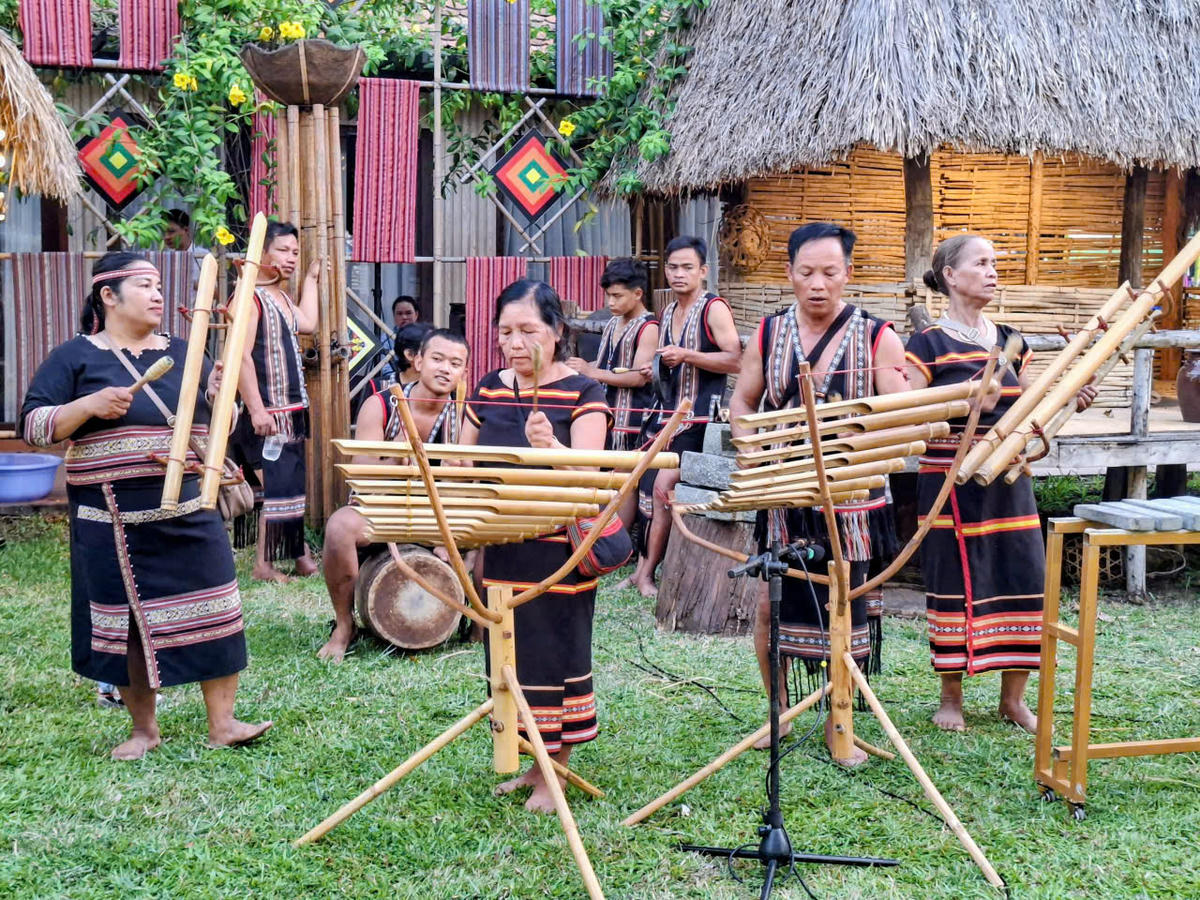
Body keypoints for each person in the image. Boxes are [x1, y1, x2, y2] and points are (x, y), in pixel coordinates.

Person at [20, 252, 271, 759]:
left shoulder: (187, 349)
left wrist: (223, 395)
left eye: (160, 285)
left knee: (217, 607)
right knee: (129, 625)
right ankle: (143, 730)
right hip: (111, 518)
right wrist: (86, 407)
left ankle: (223, 723)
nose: (158, 295)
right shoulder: (75, 357)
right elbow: (32, 426)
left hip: (189, 505)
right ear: (108, 296)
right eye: (145, 285)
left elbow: (210, 421)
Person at [729, 223, 908, 763]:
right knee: (769, 604)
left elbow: (899, 414)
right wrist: (753, 450)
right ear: (788, 273)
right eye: (806, 272)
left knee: (845, 606)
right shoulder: (767, 333)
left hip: (851, 496)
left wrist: (860, 445)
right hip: (783, 492)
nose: (817, 284)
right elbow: (742, 402)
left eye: (830, 272)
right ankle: (778, 710)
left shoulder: (878, 335)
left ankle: (841, 720)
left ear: (848, 275)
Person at [905, 234, 1096, 733]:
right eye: (981, 263)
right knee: (951, 583)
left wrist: (1070, 400)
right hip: (949, 481)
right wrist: (968, 402)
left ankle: (1013, 700)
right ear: (950, 275)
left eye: (996, 262)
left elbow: (1031, 408)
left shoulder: (1011, 340)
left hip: (1008, 479)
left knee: (1023, 576)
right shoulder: (926, 344)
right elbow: (907, 412)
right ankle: (951, 699)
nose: (993, 271)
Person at [461, 279, 611, 814]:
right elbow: (464, 462)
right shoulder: (488, 388)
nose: (514, 342)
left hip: (559, 550)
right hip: (500, 542)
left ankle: (558, 772)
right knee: (509, 654)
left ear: (557, 331)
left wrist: (553, 447)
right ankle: (531, 762)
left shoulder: (584, 391)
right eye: (505, 331)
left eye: (528, 330)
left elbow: (592, 474)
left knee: (556, 653)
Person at [318, 329, 470, 662]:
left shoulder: (465, 413)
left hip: (441, 510)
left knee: (495, 534)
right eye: (437, 359)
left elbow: (467, 480)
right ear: (417, 360)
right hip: (382, 505)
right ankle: (345, 625)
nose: (446, 368)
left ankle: (477, 627)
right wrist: (395, 453)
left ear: (463, 372)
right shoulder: (381, 403)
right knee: (340, 528)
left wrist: (455, 475)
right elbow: (364, 476)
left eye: (456, 363)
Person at [630, 236, 742, 597]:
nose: (679, 274)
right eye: (673, 267)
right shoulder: (667, 312)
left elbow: (735, 360)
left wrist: (688, 356)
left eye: (687, 268)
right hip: (668, 416)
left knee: (664, 486)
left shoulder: (714, 308)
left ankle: (648, 574)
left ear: (703, 271)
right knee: (644, 485)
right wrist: (657, 367)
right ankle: (638, 568)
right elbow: (672, 361)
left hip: (701, 421)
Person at [230, 220, 320, 582]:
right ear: (262, 252)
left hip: (291, 411)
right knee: (277, 485)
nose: (291, 258)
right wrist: (256, 409)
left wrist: (311, 281)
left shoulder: (280, 297)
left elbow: (308, 323)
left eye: (295, 252)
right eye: (283, 250)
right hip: (268, 412)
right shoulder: (247, 296)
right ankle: (264, 565)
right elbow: (240, 356)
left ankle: (299, 556)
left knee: (291, 484)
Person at [566, 257, 659, 528]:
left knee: (624, 477)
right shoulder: (612, 323)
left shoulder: (649, 327)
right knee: (605, 474)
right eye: (608, 295)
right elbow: (607, 365)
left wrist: (591, 372)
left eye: (617, 296)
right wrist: (578, 368)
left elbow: (637, 377)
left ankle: (616, 539)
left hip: (632, 415)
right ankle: (598, 533)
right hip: (607, 412)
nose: (610, 303)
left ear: (638, 293)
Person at [379, 296, 421, 381]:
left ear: (416, 314)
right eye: (400, 313)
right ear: (394, 316)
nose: (404, 317)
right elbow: (386, 370)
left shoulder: (426, 337)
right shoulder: (385, 339)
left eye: (408, 313)